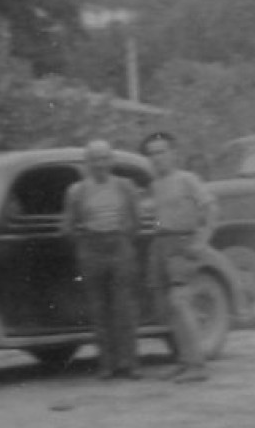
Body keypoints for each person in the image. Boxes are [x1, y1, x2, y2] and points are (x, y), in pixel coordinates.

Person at [61, 140, 144, 379]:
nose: (100, 164)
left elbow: (136, 221)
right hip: (91, 251)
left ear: (111, 161)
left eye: (105, 158)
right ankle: (107, 365)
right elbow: (67, 226)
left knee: (124, 308)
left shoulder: (125, 186)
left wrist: (120, 238)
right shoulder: (77, 191)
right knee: (99, 310)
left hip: (119, 248)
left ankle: (130, 363)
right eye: (95, 159)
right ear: (87, 163)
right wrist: (86, 240)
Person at [141, 130, 219, 382]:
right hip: (161, 243)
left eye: (161, 152)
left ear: (173, 154)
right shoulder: (154, 185)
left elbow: (211, 208)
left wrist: (202, 241)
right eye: (152, 154)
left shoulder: (187, 179)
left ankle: (198, 365)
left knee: (180, 301)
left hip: (183, 242)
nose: (157, 158)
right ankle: (185, 361)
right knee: (171, 308)